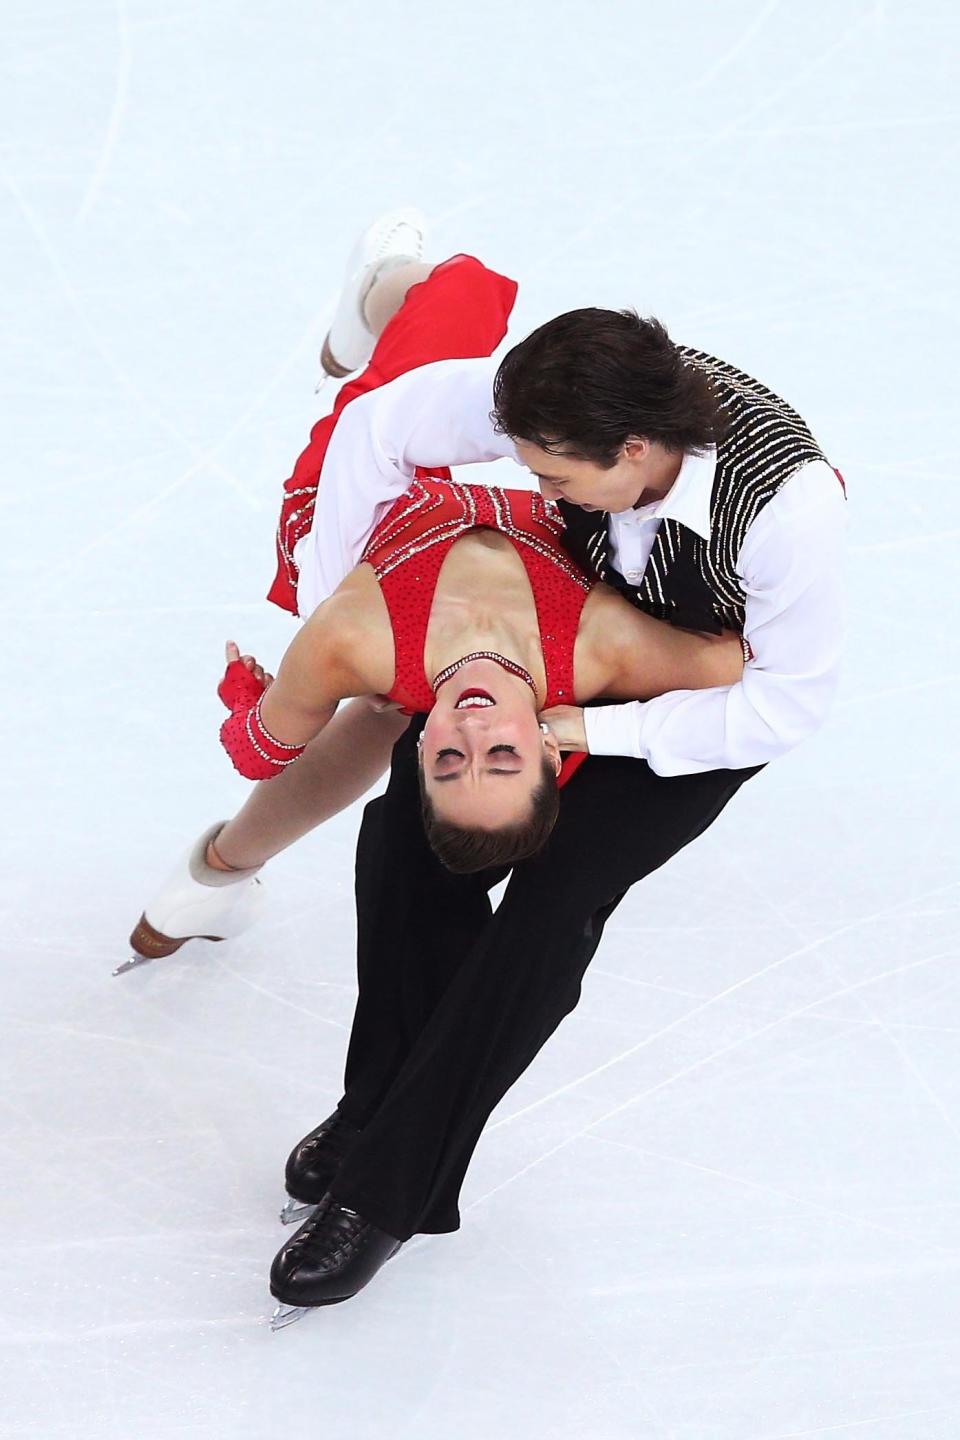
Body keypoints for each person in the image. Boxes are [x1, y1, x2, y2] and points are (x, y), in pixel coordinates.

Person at [260, 223, 848, 1325]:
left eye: (550, 476)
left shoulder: (786, 505)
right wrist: (350, 596)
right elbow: (382, 424)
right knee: (406, 839)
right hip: (558, 645)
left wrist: (589, 734)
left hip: (692, 709)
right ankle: (376, 1104)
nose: (533, 484)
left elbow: (785, 701)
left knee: (552, 902)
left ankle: (389, 1191)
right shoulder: (559, 390)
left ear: (634, 453)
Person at [125, 213, 742, 973]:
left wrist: (263, 706)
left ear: (427, 758)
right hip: (513, 488)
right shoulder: (602, 649)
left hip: (369, 491)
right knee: (377, 711)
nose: (474, 737)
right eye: (506, 758)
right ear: (551, 742)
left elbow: (260, 750)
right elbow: (741, 661)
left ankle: (216, 872)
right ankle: (210, 881)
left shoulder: (354, 641)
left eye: (447, 760)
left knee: (461, 293)